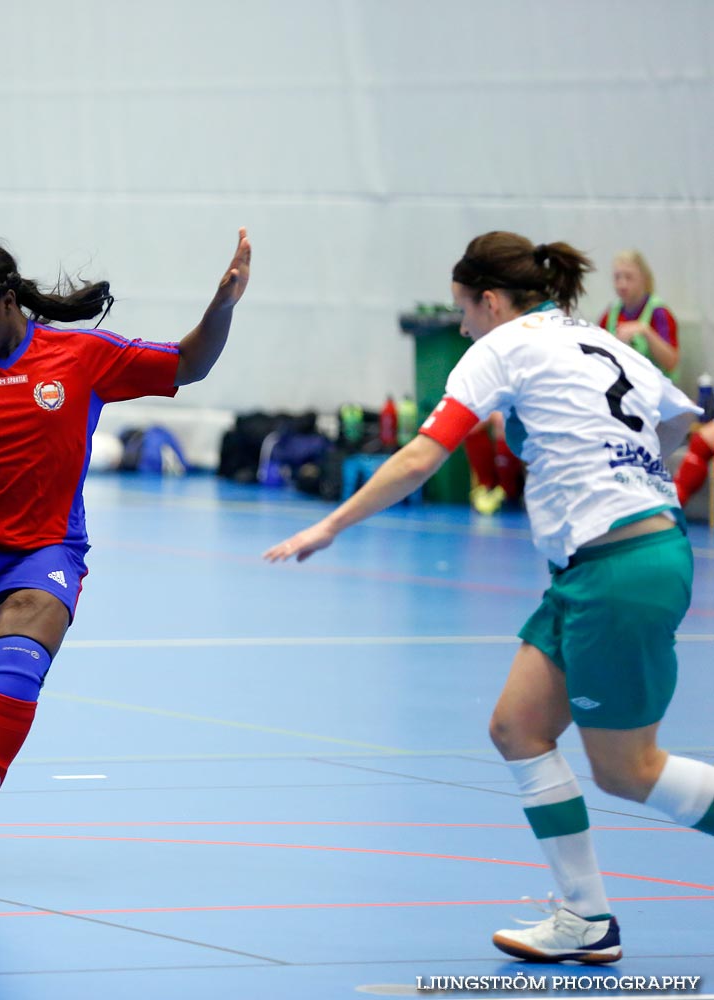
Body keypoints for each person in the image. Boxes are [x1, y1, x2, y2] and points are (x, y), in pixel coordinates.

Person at [264, 231, 711, 964]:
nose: (463, 326)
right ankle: (586, 918)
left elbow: (420, 455)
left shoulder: (502, 348)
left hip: (616, 568)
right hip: (616, 559)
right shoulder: (605, 343)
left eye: (464, 311)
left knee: (628, 770)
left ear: (492, 301)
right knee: (517, 728)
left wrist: (332, 525)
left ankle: (587, 915)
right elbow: (676, 424)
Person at [0, 228, 251, 888]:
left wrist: (222, 307)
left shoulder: (81, 356)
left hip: (44, 548)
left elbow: (189, 364)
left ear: (6, 301)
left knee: (19, 669)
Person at [596, 250, 678, 376]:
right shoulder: (611, 313)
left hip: (656, 388)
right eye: (617, 278)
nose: (622, 284)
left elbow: (671, 363)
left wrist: (646, 331)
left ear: (643, 279)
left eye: (629, 277)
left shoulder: (659, 312)